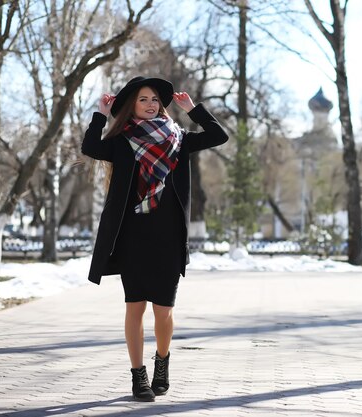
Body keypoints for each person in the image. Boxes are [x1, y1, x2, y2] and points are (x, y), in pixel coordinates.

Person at [81, 76, 228, 401]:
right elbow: (90, 147)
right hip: (133, 237)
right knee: (135, 307)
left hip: (168, 237)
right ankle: (138, 376)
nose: (150, 104)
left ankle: (162, 361)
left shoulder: (179, 139)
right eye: (143, 99)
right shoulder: (121, 142)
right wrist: (101, 115)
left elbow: (220, 135)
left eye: (154, 100)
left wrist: (194, 109)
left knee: (164, 310)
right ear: (132, 106)